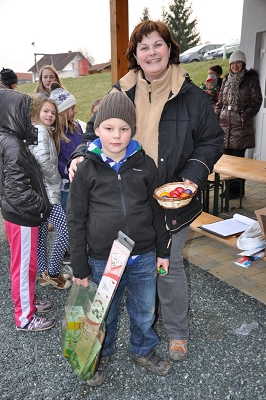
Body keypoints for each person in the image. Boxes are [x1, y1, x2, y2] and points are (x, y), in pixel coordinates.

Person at [68, 20, 224, 363]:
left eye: (158, 44)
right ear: (135, 55)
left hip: (172, 201)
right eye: (144, 46)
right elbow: (92, 132)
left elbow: (213, 140)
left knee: (167, 268)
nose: (151, 52)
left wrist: (192, 177)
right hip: (124, 198)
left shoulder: (192, 95)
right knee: (115, 275)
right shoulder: (120, 91)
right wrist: (80, 156)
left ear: (170, 48)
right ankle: (105, 344)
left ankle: (177, 333)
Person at [66, 91, 172, 386]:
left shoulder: (145, 164)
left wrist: (163, 251)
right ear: (97, 129)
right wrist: (80, 266)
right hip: (103, 259)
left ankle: (144, 349)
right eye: (109, 128)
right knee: (104, 314)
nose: (117, 136)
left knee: (144, 310)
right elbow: (75, 218)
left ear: (132, 130)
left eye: (124, 129)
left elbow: (157, 210)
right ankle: (103, 352)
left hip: (143, 255)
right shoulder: (86, 168)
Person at [0, 89, 55, 331]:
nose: (29, 119)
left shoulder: (9, 139)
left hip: (19, 215)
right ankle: (25, 317)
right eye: (25, 114)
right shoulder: (11, 143)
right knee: (23, 268)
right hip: (22, 216)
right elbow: (16, 190)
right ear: (12, 114)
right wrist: (40, 206)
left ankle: (29, 302)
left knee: (27, 264)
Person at [29, 94, 71, 289]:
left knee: (42, 232)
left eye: (53, 113)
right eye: (46, 111)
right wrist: (56, 179)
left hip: (41, 191)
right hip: (48, 192)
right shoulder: (39, 130)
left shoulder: (41, 130)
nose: (50, 115)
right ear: (36, 111)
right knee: (66, 230)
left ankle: (44, 273)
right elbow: (43, 159)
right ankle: (53, 273)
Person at [215, 50, 262, 199]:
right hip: (225, 124)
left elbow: (256, 101)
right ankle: (229, 189)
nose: (235, 66)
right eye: (233, 63)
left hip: (240, 126)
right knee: (227, 160)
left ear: (243, 64)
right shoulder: (226, 79)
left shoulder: (250, 79)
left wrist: (243, 116)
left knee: (238, 161)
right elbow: (221, 101)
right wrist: (215, 117)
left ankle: (236, 191)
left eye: (238, 63)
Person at [50, 83, 83, 265]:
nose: (76, 111)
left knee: (79, 213)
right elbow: (56, 159)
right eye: (72, 108)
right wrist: (67, 169)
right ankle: (65, 251)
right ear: (62, 111)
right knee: (68, 215)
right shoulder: (55, 134)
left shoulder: (77, 127)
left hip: (79, 179)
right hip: (65, 184)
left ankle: (77, 245)